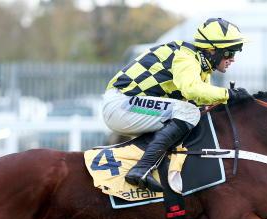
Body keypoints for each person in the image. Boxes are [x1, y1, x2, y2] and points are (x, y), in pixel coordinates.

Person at [103, 17, 252, 192]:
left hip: (130, 105)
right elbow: (192, 91)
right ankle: (141, 169)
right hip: (122, 104)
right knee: (189, 112)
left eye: (235, 52)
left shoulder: (201, 67)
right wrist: (229, 94)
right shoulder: (186, 57)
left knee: (194, 115)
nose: (233, 59)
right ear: (212, 50)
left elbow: (202, 103)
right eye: (229, 52)